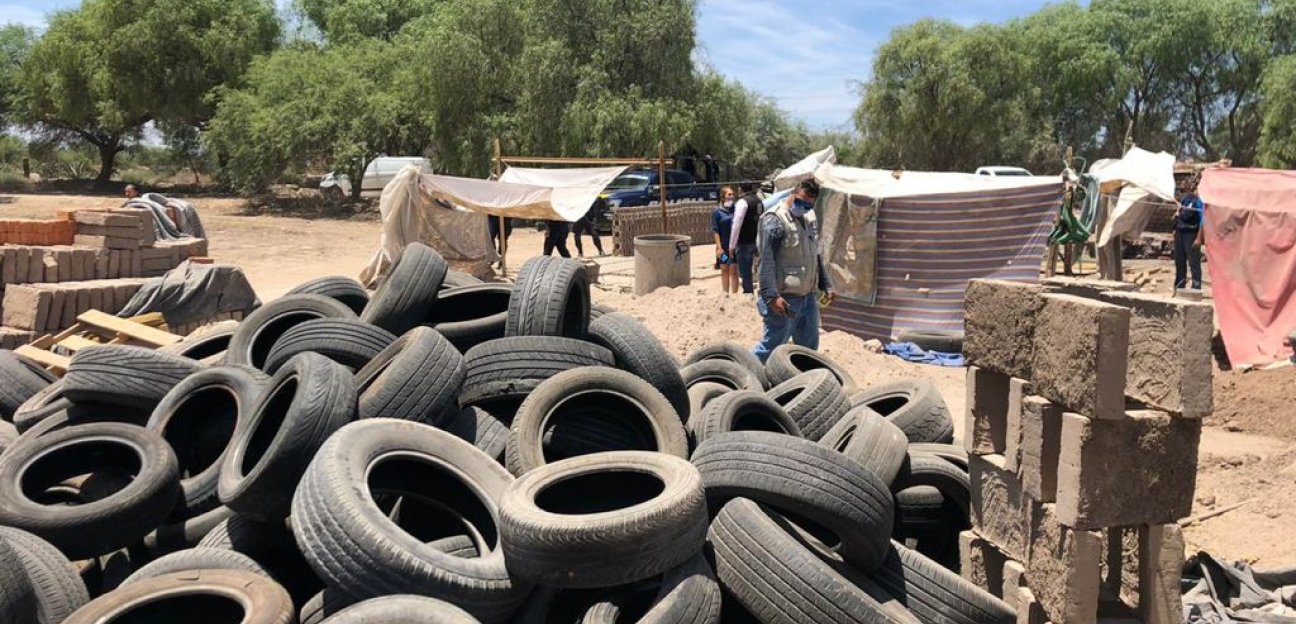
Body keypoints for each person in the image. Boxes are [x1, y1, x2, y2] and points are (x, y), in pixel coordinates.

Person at [753, 179, 834, 363]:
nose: (803, 206)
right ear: (794, 192)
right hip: (785, 299)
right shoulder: (774, 220)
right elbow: (766, 260)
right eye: (801, 200)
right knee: (771, 348)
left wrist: (826, 284)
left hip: (808, 298)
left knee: (807, 350)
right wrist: (771, 296)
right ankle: (742, 376)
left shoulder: (809, 218)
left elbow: (815, 255)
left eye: (808, 204)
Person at [728, 182, 762, 294]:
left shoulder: (742, 202)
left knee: (745, 270)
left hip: (744, 241)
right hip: (757, 240)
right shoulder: (759, 201)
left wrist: (731, 245)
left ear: (741, 189)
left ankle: (748, 293)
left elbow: (736, 224)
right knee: (759, 268)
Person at [1174, 186, 1205, 291]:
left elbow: (1202, 220)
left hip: (1191, 234)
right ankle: (1179, 286)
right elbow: (1179, 217)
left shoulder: (1198, 202)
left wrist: (1199, 238)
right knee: (1179, 260)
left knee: (1193, 262)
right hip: (1180, 233)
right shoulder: (1184, 201)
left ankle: (1196, 287)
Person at [712, 187, 738, 294]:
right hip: (723, 246)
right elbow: (715, 230)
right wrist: (719, 247)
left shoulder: (735, 209)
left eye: (732, 194)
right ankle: (725, 293)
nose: (731, 196)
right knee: (724, 269)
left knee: (733, 270)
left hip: (734, 246)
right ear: (723, 196)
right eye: (729, 194)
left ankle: (735, 295)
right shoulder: (717, 211)